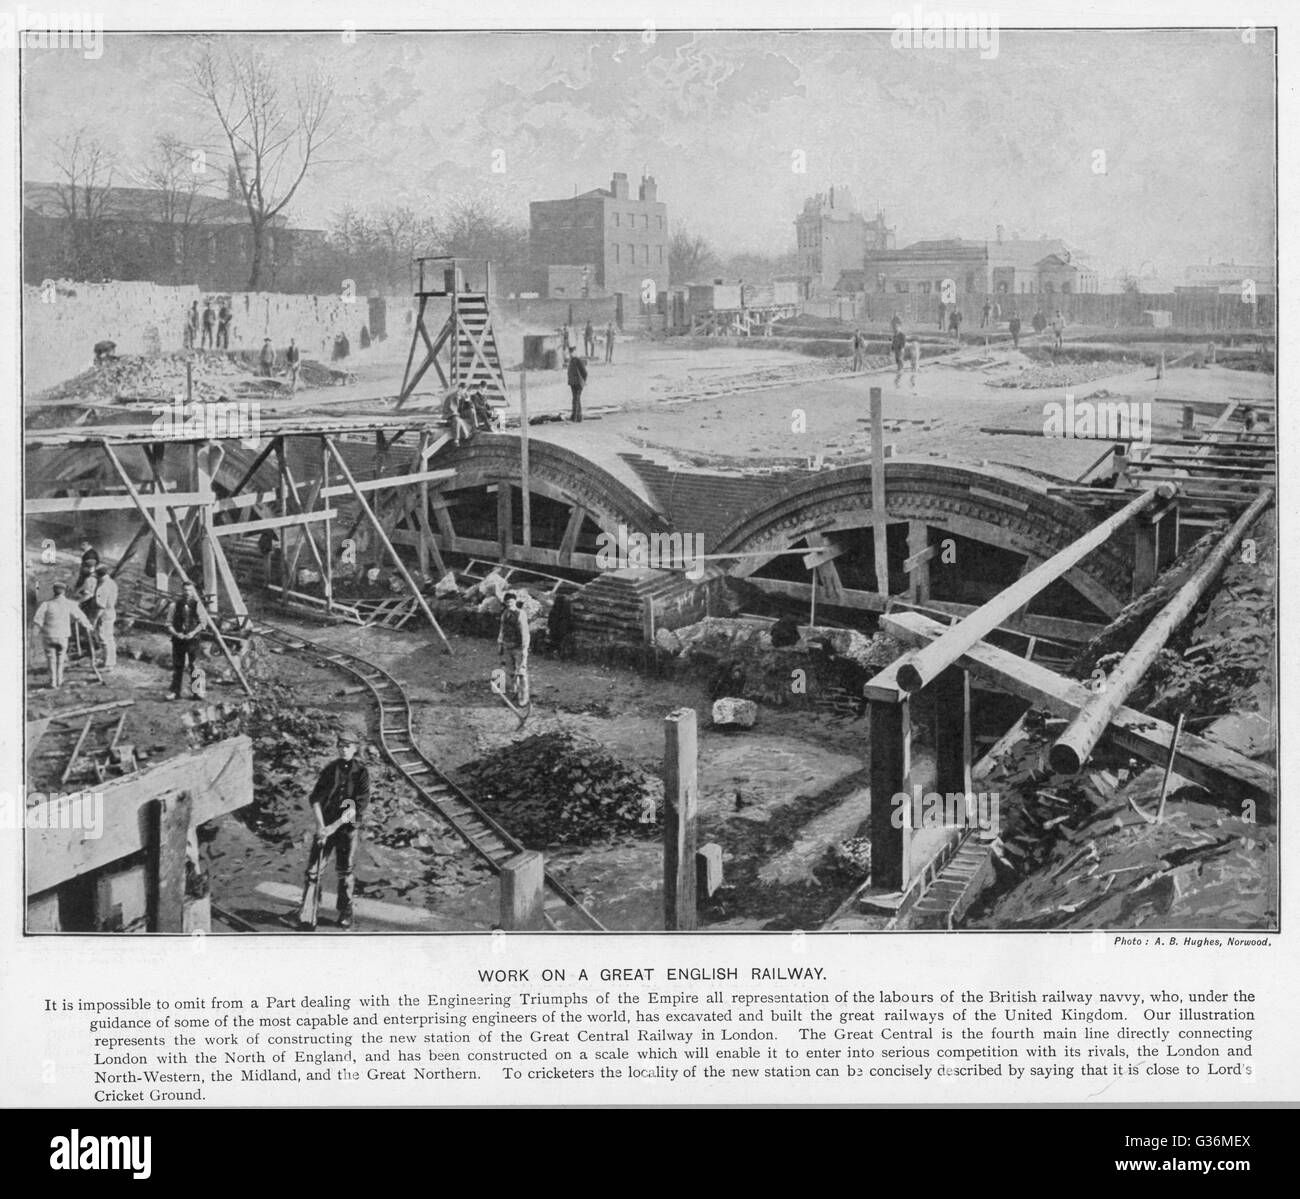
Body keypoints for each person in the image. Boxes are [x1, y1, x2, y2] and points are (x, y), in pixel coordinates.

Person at [298, 732, 370, 930]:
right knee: (313, 871)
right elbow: (315, 799)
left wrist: (332, 827)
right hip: (326, 827)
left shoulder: (361, 772)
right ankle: (308, 912)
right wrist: (321, 826)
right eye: (340, 746)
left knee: (345, 871)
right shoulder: (330, 769)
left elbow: (355, 806)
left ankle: (345, 913)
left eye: (348, 746)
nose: (343, 750)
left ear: (355, 748)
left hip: (347, 828)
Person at [33, 582, 93, 689]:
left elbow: (38, 620)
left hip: (49, 636)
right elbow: (80, 616)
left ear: (54, 591)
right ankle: (59, 680)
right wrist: (88, 626)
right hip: (63, 636)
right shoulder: (70, 604)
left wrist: (35, 634)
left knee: (51, 659)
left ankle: (53, 682)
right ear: (64, 591)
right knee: (60, 659)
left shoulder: (46, 604)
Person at [168, 580, 203, 700]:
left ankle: (197, 692)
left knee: (195, 665)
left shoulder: (198, 605)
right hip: (179, 639)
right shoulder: (174, 605)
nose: (187, 592)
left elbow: (203, 623)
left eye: (189, 590)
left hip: (193, 640)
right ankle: (175, 691)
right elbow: (168, 624)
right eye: (185, 590)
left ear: (193, 591)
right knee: (178, 665)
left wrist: (193, 633)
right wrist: (176, 634)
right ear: (182, 591)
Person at [497, 591, 531, 705]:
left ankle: (523, 697)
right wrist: (500, 644)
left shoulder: (520, 614)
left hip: (518, 647)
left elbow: (525, 633)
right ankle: (514, 693)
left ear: (515, 602)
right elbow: (502, 629)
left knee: (521, 673)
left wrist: (524, 649)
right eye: (507, 603)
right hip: (508, 646)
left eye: (511, 602)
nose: (509, 604)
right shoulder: (505, 614)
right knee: (510, 672)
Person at [91, 564, 118, 671]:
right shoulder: (112, 583)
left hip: (104, 614)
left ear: (99, 575)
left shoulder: (102, 587)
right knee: (109, 638)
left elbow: (101, 607)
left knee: (104, 639)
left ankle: (108, 664)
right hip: (111, 611)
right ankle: (108, 660)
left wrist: (94, 620)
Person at [567, 349, 588, 422]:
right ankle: (578, 417)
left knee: (576, 399)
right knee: (576, 399)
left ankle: (575, 417)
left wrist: (583, 381)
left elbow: (585, 372)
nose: (570, 354)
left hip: (578, 383)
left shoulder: (578, 360)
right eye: (570, 353)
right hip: (573, 383)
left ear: (575, 353)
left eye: (572, 353)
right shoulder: (571, 361)